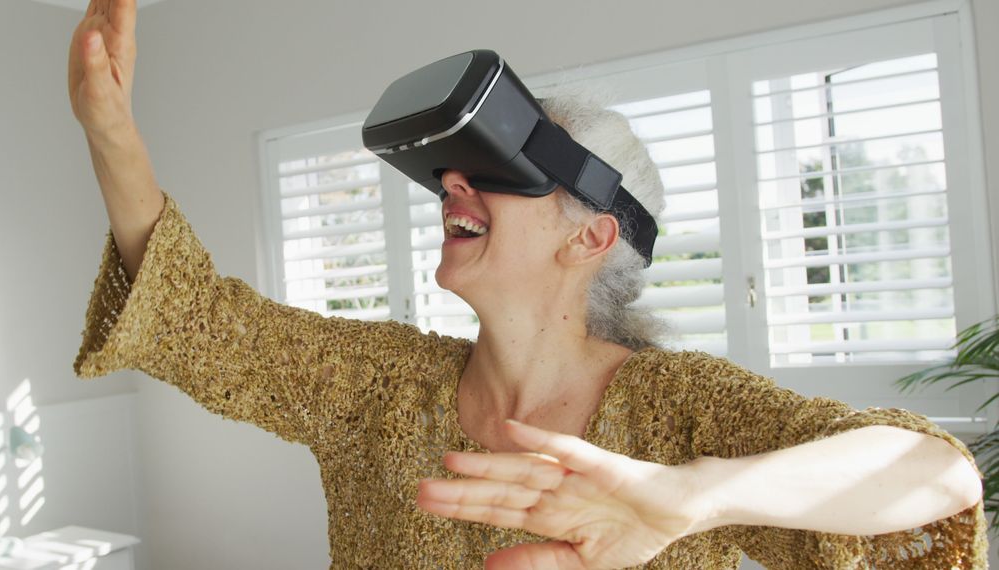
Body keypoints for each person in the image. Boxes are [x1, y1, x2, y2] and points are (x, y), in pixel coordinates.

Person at [67, 1, 987, 568]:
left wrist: (698, 494)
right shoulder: (377, 387)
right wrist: (110, 126)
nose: (452, 188)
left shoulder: (684, 411)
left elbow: (933, 474)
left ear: (594, 234)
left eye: (496, 171)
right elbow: (197, 317)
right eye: (449, 175)